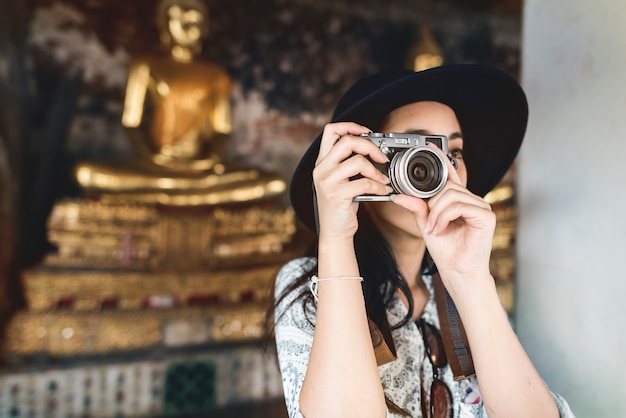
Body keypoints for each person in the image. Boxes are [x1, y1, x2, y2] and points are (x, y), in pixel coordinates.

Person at [272, 65, 575, 417]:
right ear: (359, 163)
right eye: (415, 150)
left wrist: (470, 278)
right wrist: (336, 237)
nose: (440, 169)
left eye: (454, 153)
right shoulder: (305, 285)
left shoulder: (458, 290)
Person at [74, 0, 285, 205]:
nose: (187, 26)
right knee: (87, 173)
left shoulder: (215, 75)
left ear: (204, 27)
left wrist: (210, 159)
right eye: (179, 18)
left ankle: (171, 193)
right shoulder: (146, 66)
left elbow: (222, 130)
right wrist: (152, 157)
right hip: (155, 166)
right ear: (164, 24)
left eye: (195, 20)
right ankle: (182, 194)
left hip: (200, 169)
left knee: (274, 183)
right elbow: (131, 123)